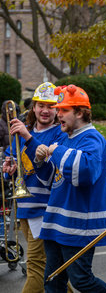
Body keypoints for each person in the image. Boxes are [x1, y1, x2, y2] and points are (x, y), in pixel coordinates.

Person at [24, 84, 106, 292]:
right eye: (58, 110)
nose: (58, 115)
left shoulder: (93, 138)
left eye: (64, 110)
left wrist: (55, 151)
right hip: (57, 223)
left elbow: (83, 172)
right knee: (52, 281)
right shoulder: (66, 137)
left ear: (81, 112)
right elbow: (52, 180)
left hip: (78, 225)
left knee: (82, 280)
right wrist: (40, 161)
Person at [3, 82, 69, 293]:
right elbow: (11, 161)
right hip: (24, 206)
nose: (45, 110)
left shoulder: (60, 134)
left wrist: (27, 137)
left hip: (45, 208)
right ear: (33, 107)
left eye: (50, 106)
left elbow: (51, 172)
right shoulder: (25, 130)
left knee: (35, 266)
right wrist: (8, 168)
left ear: (57, 109)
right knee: (51, 268)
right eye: (41, 105)